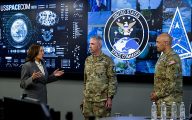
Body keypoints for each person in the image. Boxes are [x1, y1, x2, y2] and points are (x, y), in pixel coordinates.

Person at [81, 35, 117, 120]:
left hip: (101, 101)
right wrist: (84, 97)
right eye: (90, 44)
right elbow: (85, 80)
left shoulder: (107, 60)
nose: (90, 46)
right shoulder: (87, 60)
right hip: (88, 100)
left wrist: (110, 98)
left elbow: (112, 80)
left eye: (92, 44)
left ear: (99, 45)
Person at [150, 33, 183, 116]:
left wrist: (157, 94)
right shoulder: (163, 56)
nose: (156, 45)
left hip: (170, 104)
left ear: (166, 43)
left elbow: (171, 83)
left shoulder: (172, 58)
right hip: (161, 102)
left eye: (158, 42)